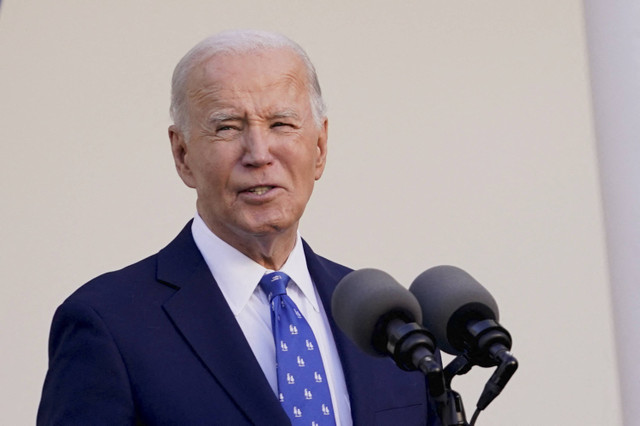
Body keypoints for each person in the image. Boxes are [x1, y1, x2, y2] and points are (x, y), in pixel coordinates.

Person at [37, 30, 439, 425]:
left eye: (282, 124)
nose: (259, 154)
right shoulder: (109, 324)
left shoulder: (386, 323)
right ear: (182, 155)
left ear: (319, 147)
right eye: (227, 127)